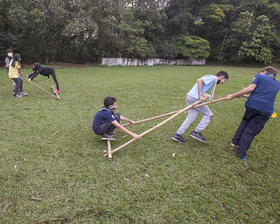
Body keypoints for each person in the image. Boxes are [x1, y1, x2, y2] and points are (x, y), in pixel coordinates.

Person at [226, 66, 280, 160]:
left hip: (252, 106)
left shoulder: (259, 76)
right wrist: (242, 95)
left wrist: (233, 96)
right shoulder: (277, 84)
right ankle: (241, 152)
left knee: (245, 122)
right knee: (251, 130)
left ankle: (235, 142)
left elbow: (251, 88)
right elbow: (262, 95)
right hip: (266, 110)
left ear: (265, 71)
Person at [172, 71, 229, 143]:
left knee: (191, 117)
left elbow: (202, 85)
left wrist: (205, 95)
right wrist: (201, 95)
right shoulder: (213, 78)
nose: (223, 83)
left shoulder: (212, 79)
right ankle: (196, 132)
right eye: (225, 80)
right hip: (194, 98)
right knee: (209, 114)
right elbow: (199, 80)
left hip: (190, 97)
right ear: (222, 77)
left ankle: (177, 134)